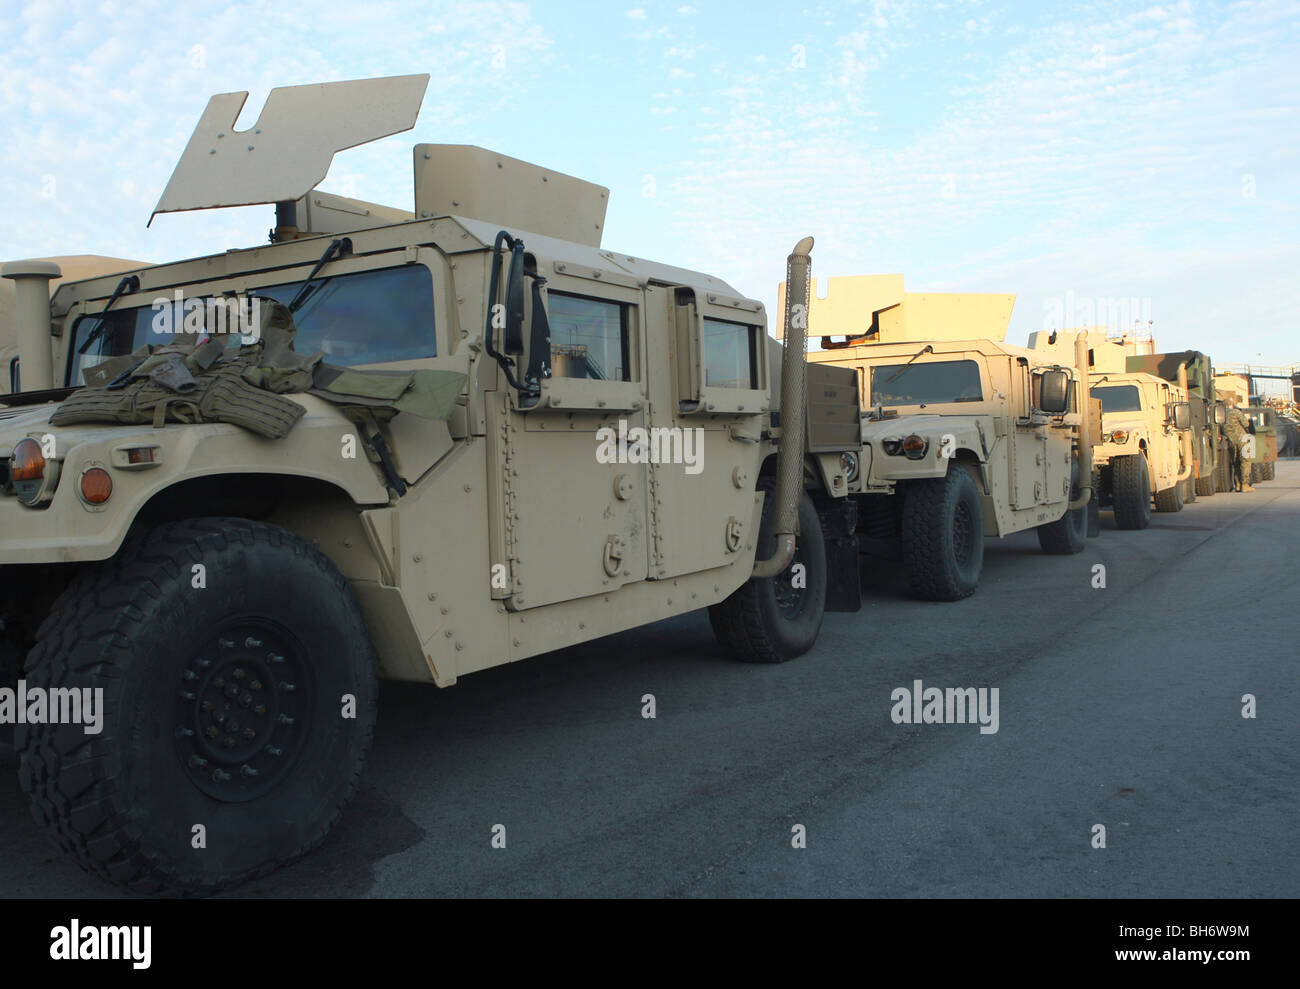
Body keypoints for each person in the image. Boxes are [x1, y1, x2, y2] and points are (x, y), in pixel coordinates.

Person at [1223, 397, 1254, 492]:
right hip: (1242, 440)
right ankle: (1245, 485)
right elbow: (1246, 424)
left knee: (1235, 462)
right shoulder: (1236, 412)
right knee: (1245, 461)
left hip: (1230, 441)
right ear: (1232, 404)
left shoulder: (1221, 414)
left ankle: (1237, 484)